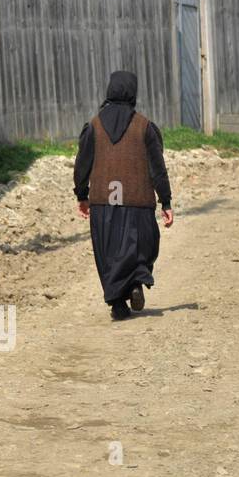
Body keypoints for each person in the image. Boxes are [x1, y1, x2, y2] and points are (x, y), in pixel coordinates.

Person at [72, 71, 174, 320]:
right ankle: (137, 280)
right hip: (138, 202)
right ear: (133, 92)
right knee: (141, 247)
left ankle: (118, 303)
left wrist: (81, 195)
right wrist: (166, 201)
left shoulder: (94, 126)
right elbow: (157, 168)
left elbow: (82, 165)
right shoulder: (145, 127)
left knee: (109, 254)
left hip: (103, 203)